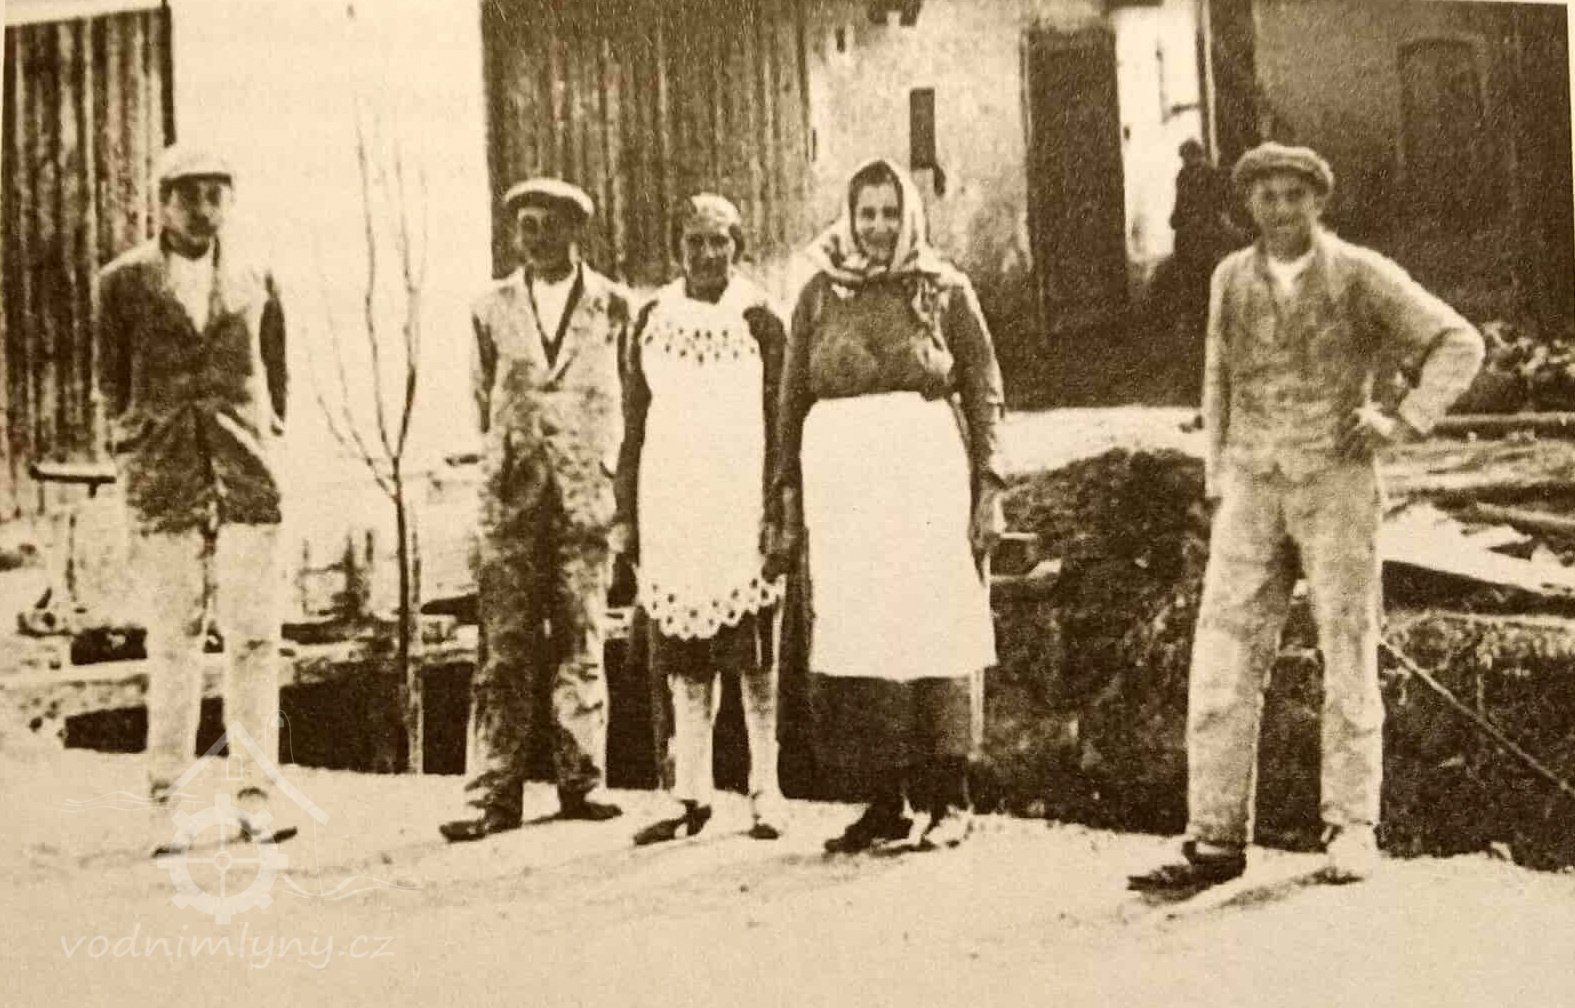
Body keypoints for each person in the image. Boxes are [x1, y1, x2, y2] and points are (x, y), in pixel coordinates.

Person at [1128, 143, 1484, 892]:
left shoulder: (1358, 273)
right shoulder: (1229, 277)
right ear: (1247, 205)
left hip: (1335, 485)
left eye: (1295, 195)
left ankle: (1352, 828)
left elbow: (1459, 342)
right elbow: (1217, 380)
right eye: (1266, 196)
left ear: (1319, 202)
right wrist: (1218, 479)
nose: (1281, 209)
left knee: (1347, 652)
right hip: (1252, 488)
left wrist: (1401, 418)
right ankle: (1215, 836)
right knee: (1222, 659)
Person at [773, 158, 1004, 854]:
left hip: (924, 482)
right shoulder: (819, 293)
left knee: (932, 622)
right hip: (845, 491)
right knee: (860, 628)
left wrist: (989, 487)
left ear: (909, 217)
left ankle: (949, 797)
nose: (878, 227)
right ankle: (883, 802)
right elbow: (790, 398)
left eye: (889, 213)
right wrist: (786, 492)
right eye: (866, 213)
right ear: (850, 218)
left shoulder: (943, 287)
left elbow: (984, 386)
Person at [96, 143, 292, 854]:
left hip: (246, 478)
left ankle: (254, 798)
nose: (203, 210)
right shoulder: (123, 283)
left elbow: (276, 372)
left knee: (254, 639)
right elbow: (111, 379)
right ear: (162, 202)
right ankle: (167, 802)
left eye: (215, 195)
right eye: (188, 195)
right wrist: (134, 444)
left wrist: (264, 438)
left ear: (229, 202)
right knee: (174, 640)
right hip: (166, 478)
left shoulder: (255, 276)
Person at [440, 178, 632, 842]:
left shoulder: (614, 306)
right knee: (503, 649)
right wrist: (510, 456)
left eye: (551, 225)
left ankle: (583, 780)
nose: (539, 238)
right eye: (527, 225)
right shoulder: (489, 308)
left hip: (583, 499)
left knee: (582, 637)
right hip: (511, 501)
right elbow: (481, 397)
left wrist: (603, 470)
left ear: (577, 230)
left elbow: (628, 396)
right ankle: (493, 793)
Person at [616, 194, 788, 845]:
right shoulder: (650, 319)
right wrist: (626, 515)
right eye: (695, 242)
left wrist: (779, 508)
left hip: (740, 506)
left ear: (737, 245)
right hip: (673, 509)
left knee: (754, 658)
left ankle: (766, 790)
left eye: (720, 240)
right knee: (684, 659)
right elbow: (634, 425)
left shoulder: (761, 319)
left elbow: (782, 424)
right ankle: (690, 791)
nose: (708, 254)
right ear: (677, 248)